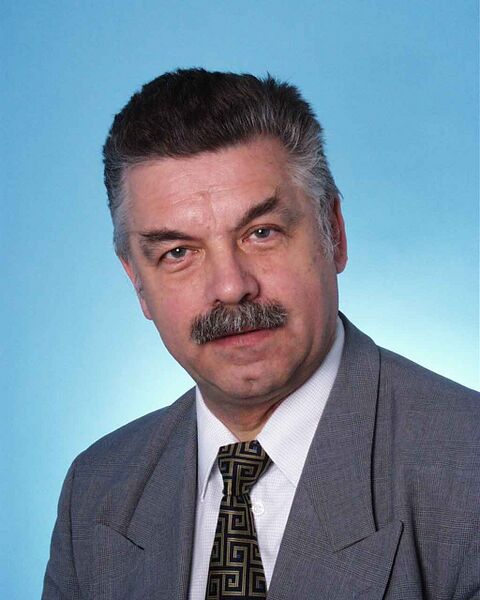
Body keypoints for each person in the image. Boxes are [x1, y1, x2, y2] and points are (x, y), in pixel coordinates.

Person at [43, 68, 479, 600]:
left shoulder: (468, 467)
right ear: (138, 282)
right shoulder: (95, 491)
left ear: (334, 233)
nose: (231, 287)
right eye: (178, 252)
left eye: (261, 233)